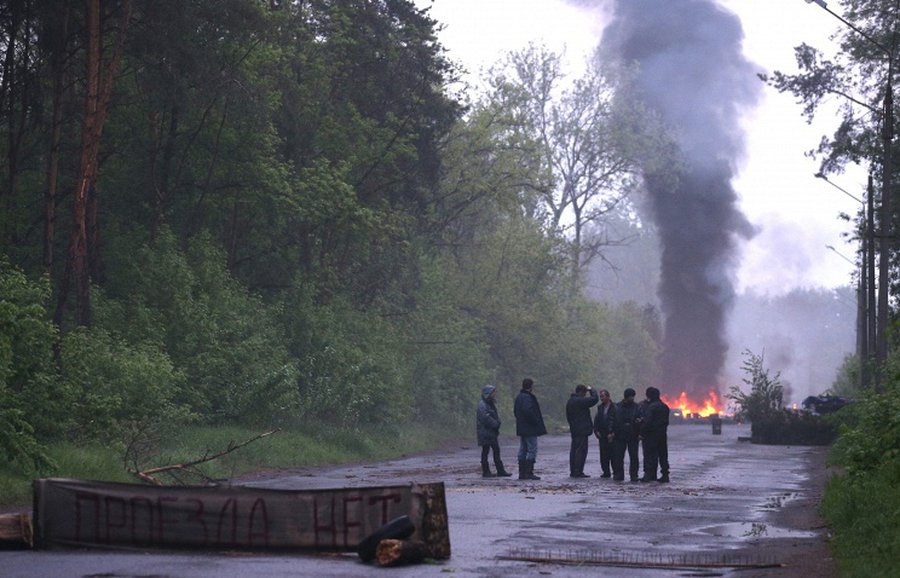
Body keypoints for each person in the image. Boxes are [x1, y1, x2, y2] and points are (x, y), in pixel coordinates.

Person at [513, 378, 547, 480]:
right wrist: (535, 420)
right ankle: (528, 472)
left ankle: (522, 472)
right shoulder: (527, 398)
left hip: (522, 426)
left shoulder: (519, 397)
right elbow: (527, 410)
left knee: (523, 449)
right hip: (530, 427)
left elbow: (516, 411)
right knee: (532, 449)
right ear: (531, 386)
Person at [476, 385, 512, 477]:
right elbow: (485, 418)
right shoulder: (482, 404)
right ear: (488, 393)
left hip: (491, 432)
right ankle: (486, 471)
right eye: (493, 392)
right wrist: (495, 424)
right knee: (486, 451)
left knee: (496, 450)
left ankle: (500, 470)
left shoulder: (490, 403)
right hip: (485, 432)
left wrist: (497, 422)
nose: (495, 394)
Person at [565, 384, 599, 478]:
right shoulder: (579, 400)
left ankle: (573, 470)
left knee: (574, 450)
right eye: (584, 393)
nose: (585, 395)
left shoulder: (570, 401)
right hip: (582, 429)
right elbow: (594, 399)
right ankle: (578, 471)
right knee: (581, 451)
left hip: (574, 429)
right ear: (581, 392)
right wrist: (591, 389)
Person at [639, 386, 670, 483]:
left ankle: (649, 475)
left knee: (649, 455)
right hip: (662, 434)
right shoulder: (665, 406)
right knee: (663, 455)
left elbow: (648, 422)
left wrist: (642, 432)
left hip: (651, 435)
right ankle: (665, 475)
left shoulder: (651, 407)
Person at [612, 388, 641, 482]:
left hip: (633, 435)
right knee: (619, 456)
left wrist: (639, 431)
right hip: (620, 435)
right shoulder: (617, 407)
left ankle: (634, 475)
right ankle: (619, 475)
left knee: (634, 457)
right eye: (631, 397)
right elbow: (613, 420)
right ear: (626, 397)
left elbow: (640, 419)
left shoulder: (637, 407)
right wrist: (612, 431)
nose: (632, 398)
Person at [592, 389, 617, 478]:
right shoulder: (600, 407)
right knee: (603, 454)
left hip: (612, 435)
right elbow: (597, 420)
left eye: (603, 396)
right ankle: (606, 471)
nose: (601, 398)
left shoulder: (615, 407)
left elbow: (617, 421)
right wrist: (596, 431)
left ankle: (616, 472)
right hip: (602, 434)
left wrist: (614, 433)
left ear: (608, 396)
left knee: (613, 454)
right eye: (600, 397)